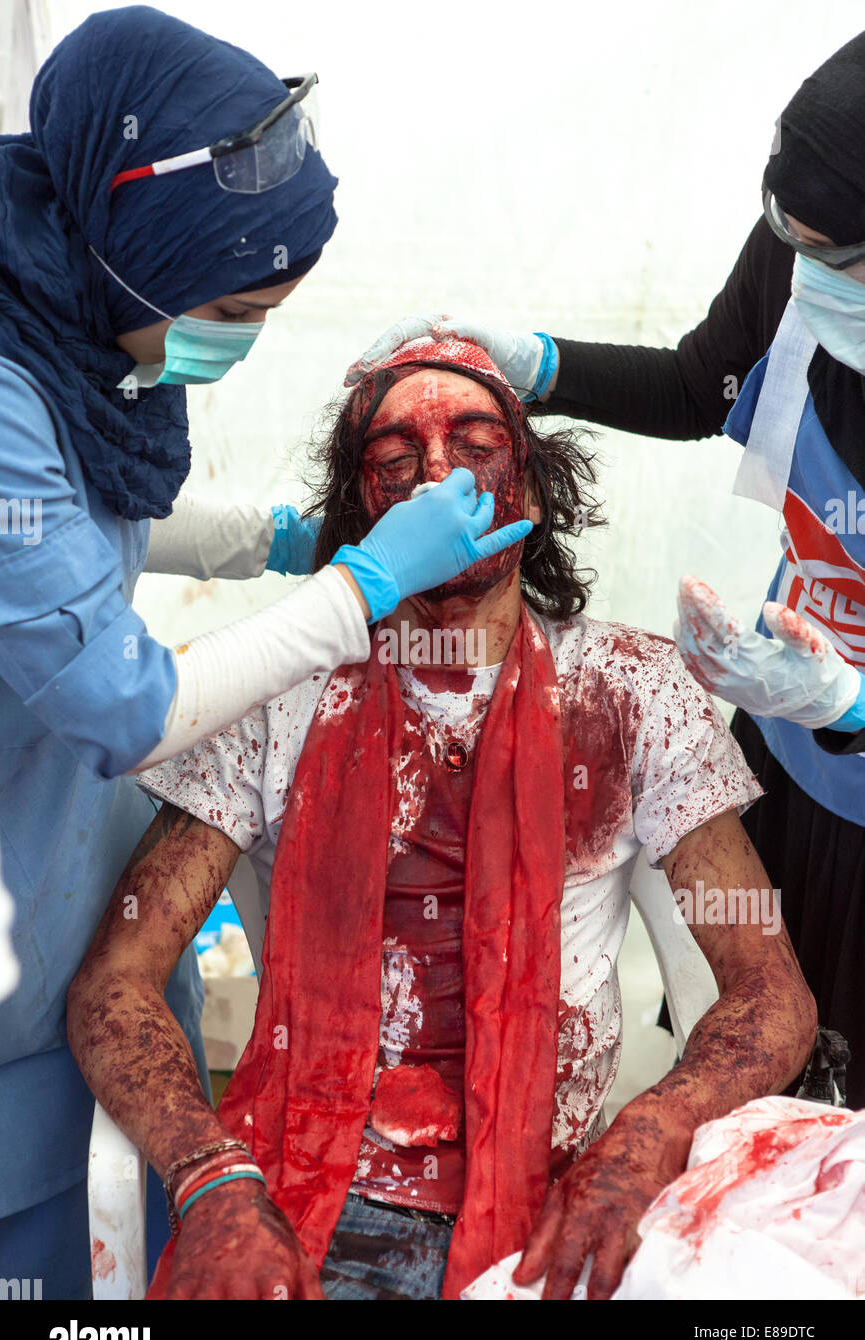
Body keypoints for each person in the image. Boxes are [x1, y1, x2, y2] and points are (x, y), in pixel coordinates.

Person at [68, 339, 815, 1301]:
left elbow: (771, 992)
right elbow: (114, 981)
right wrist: (212, 1177)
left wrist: (643, 1137)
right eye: (392, 461)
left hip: (556, 1205)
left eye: (474, 443)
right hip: (299, 1205)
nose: (435, 476)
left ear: (535, 490)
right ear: (361, 513)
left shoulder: (633, 689)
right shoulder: (277, 685)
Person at [0, 7, 527, 1299]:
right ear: (137, 262)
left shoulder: (621, 706)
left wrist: (277, 543)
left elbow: (83, 509)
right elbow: (127, 706)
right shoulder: (277, 711)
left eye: (472, 452)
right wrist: (356, 588)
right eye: (230, 309)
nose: (432, 487)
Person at [350, 32, 865, 1107]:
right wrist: (541, 364)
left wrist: (851, 704)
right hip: (791, 772)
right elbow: (703, 381)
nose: (803, 273)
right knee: (774, 1108)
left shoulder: (624, 704)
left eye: (838, 256)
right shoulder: (809, 238)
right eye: (790, 237)